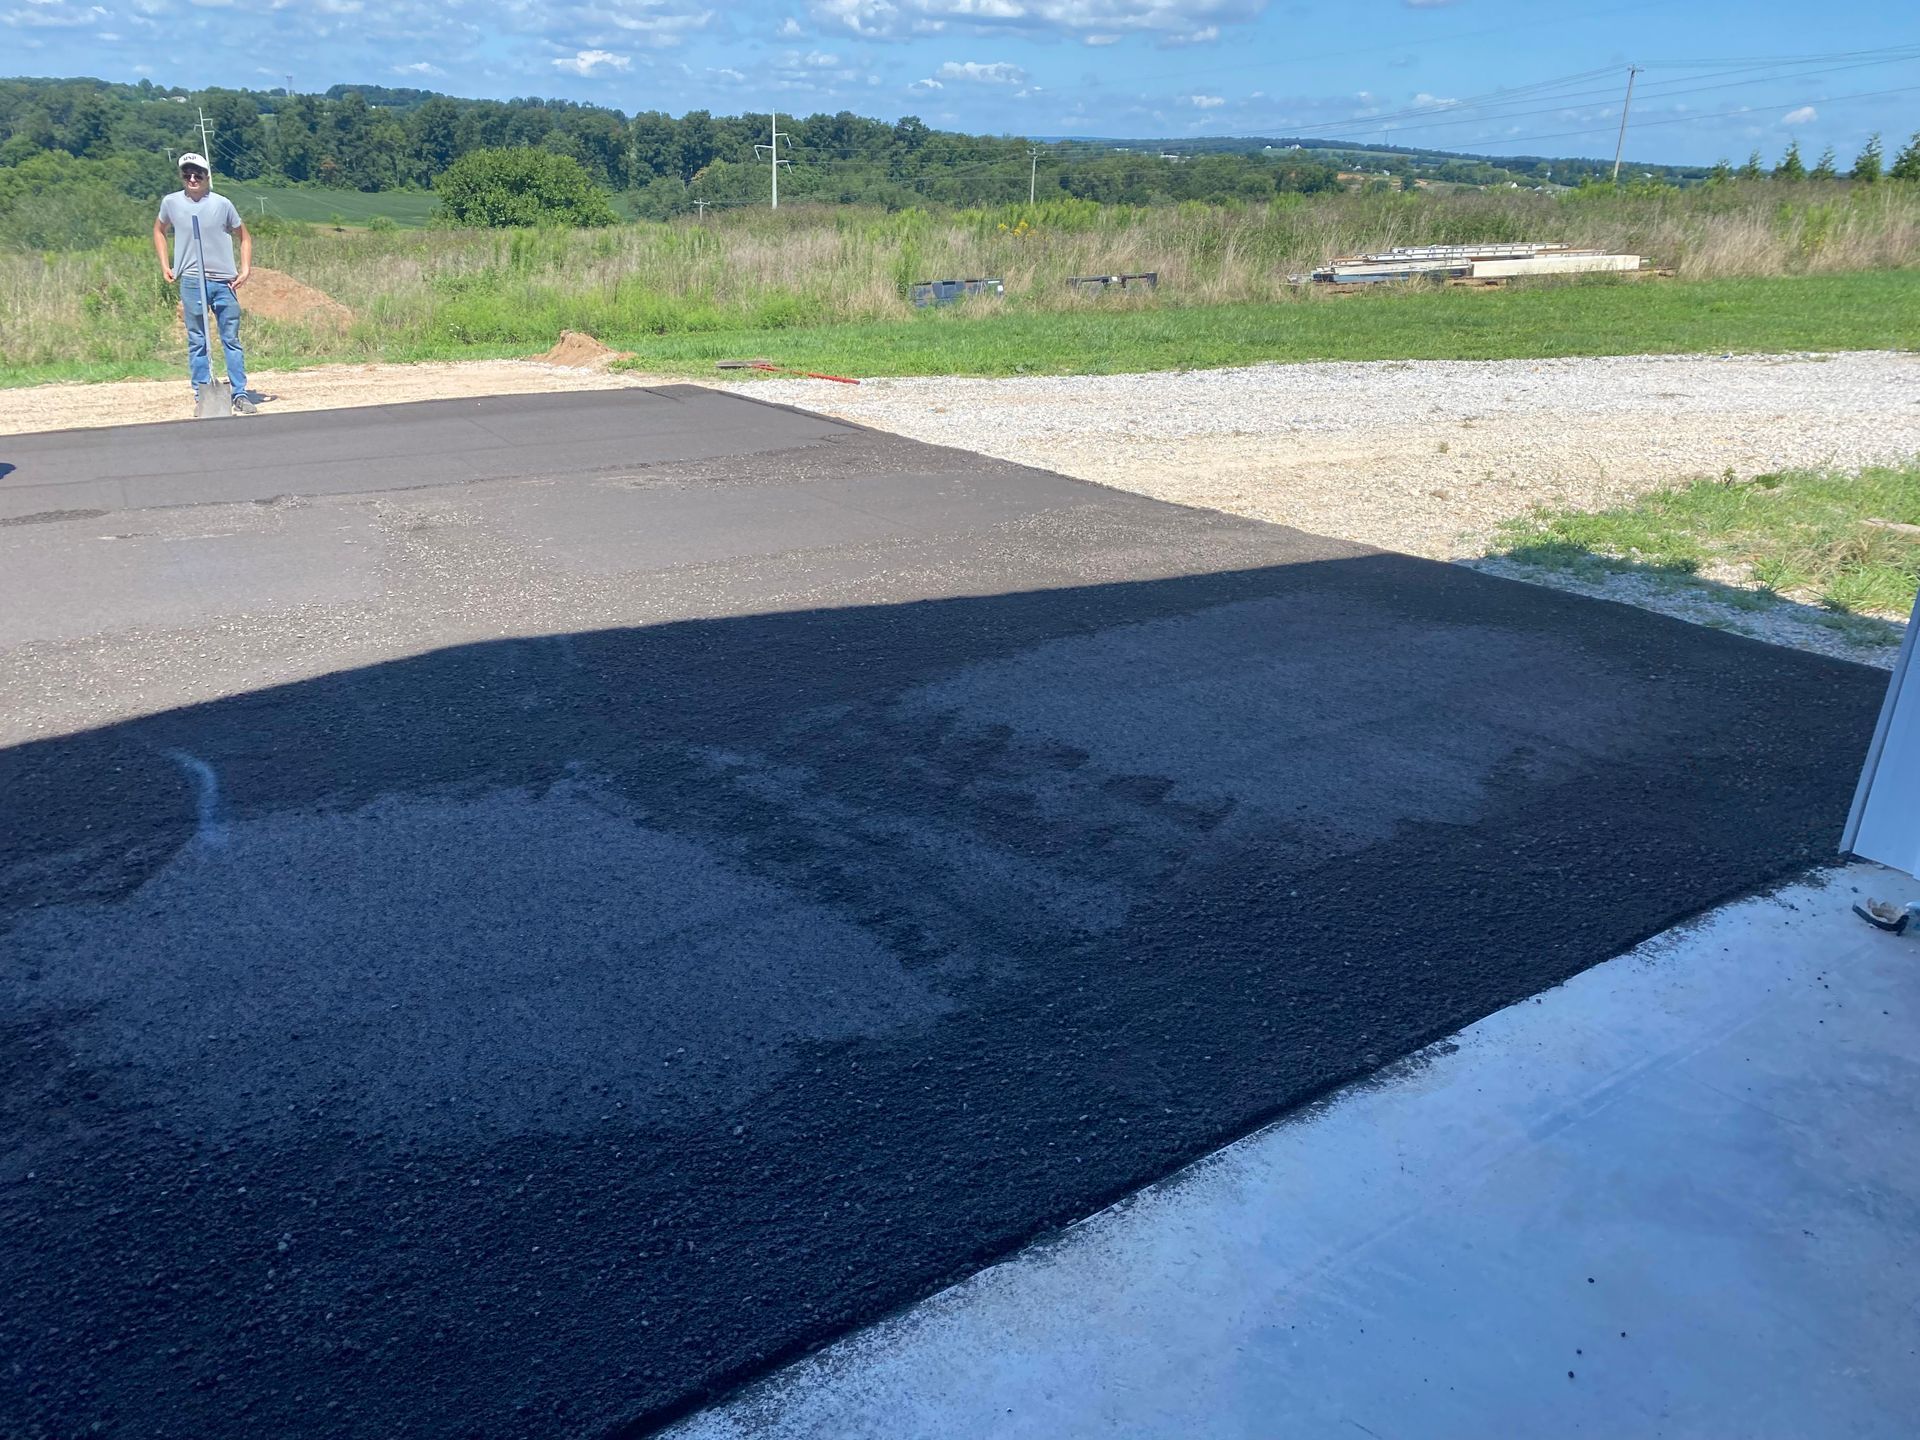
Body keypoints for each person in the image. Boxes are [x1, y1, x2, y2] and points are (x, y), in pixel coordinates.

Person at [152, 154, 268, 414]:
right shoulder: (170, 203)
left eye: (198, 174)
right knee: (197, 340)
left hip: (223, 281)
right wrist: (165, 265)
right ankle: (201, 394)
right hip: (192, 281)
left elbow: (244, 237)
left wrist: (246, 269)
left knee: (231, 338)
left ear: (207, 176)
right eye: (187, 175)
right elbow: (159, 230)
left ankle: (239, 393)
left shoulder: (222, 204)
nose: (192, 179)